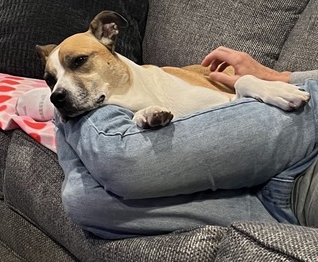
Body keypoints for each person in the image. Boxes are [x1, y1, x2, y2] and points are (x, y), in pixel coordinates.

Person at [54, 47, 318, 238]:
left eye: (78, 62)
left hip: (284, 214)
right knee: (116, 165)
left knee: (85, 201)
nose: (59, 86)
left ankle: (63, 115)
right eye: (53, 81)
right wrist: (282, 77)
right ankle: (70, 112)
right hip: (308, 123)